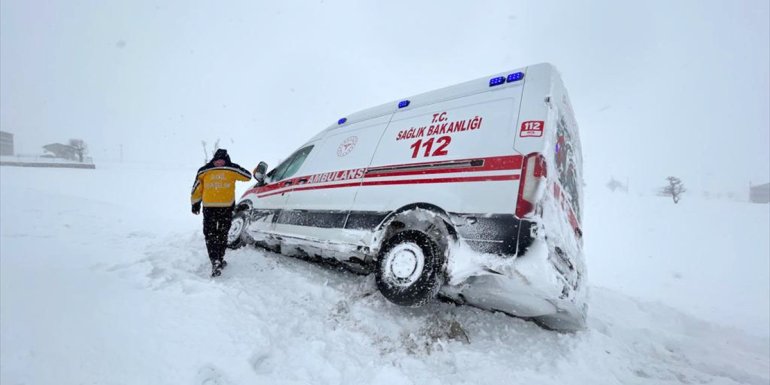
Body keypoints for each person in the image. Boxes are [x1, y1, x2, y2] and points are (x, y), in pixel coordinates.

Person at [190, 149, 251, 277]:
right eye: (217, 160)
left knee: (220, 234)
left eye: (222, 160)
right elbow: (197, 188)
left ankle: (218, 259)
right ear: (213, 160)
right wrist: (195, 203)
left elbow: (248, 176)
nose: (219, 163)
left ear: (226, 160)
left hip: (224, 208)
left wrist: (231, 167)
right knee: (212, 234)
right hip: (212, 208)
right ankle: (215, 260)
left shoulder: (211, 170)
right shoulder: (204, 171)